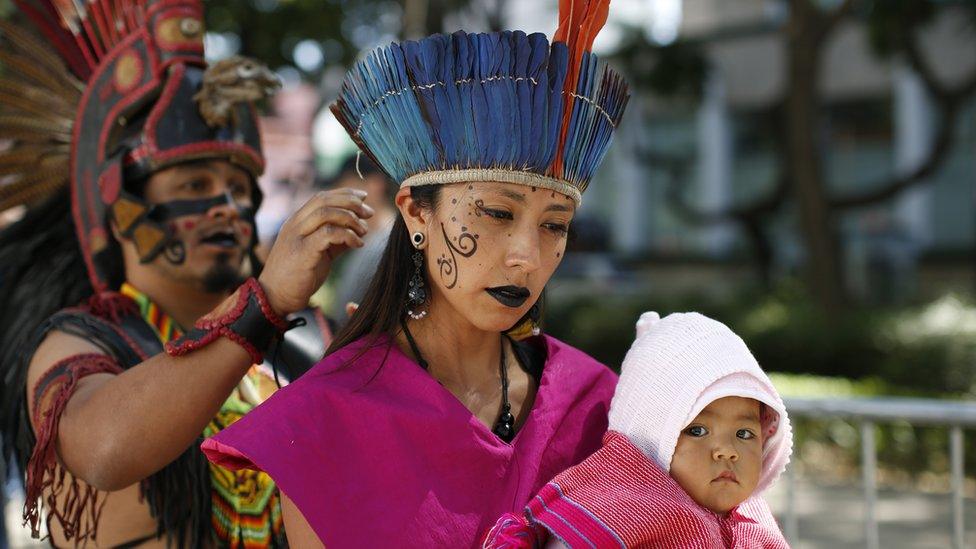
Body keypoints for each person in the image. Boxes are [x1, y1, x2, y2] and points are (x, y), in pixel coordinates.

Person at [201, 1, 631, 546]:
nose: (527, 255)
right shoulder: (324, 418)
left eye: (555, 225)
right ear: (415, 212)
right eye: (497, 213)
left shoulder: (597, 404)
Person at [0, 2, 368, 546]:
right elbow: (103, 450)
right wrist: (262, 302)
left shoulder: (309, 339)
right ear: (120, 211)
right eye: (194, 186)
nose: (224, 205)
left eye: (238, 189)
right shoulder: (79, 340)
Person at [484, 312, 793, 548]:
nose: (727, 450)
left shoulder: (755, 522)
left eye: (744, 434)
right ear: (651, 438)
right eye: (697, 430)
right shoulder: (614, 514)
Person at [320, 155, 397, 321]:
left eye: (346, 188)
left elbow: (342, 317)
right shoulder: (375, 242)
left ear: (375, 186)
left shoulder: (383, 245)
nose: (339, 204)